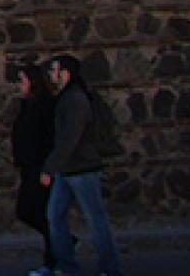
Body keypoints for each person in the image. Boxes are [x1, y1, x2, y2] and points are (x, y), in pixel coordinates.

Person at [39, 54, 123, 276]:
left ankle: (110, 268)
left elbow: (70, 138)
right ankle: (66, 266)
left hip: (82, 169)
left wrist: (50, 167)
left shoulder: (75, 99)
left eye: (54, 69)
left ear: (65, 72)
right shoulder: (66, 98)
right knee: (55, 216)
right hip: (68, 170)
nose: (51, 74)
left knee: (95, 220)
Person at [10, 61, 58, 276]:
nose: (20, 85)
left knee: (37, 212)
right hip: (29, 166)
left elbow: (49, 138)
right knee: (29, 212)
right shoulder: (28, 105)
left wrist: (48, 168)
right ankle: (60, 244)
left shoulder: (44, 106)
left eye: (22, 80)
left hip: (40, 167)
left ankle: (55, 255)